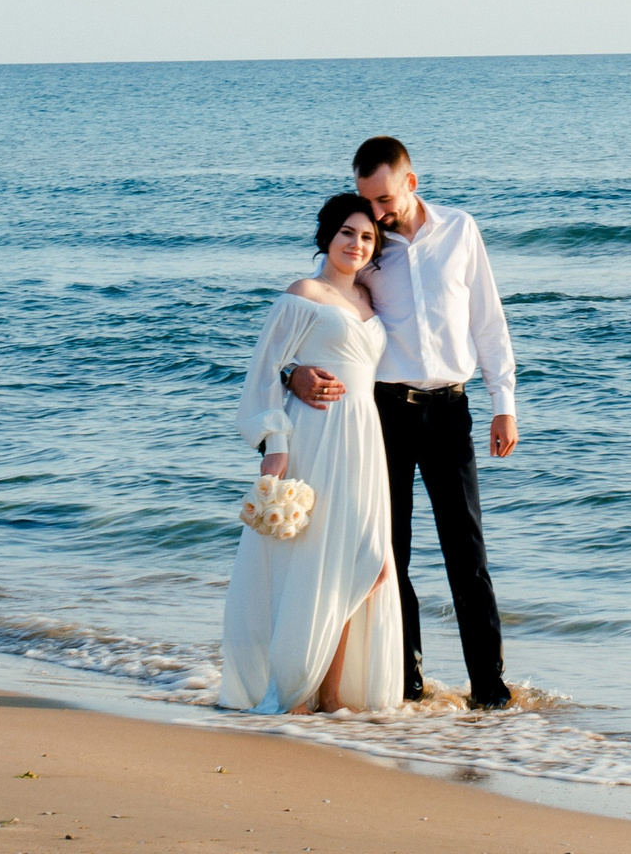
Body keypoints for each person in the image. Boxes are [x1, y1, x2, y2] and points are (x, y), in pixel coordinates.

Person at [285, 136, 516, 708]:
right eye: (368, 202)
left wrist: (503, 402)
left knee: (468, 554)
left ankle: (489, 689)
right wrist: (293, 373)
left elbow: (488, 319)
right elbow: (312, 309)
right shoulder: (367, 244)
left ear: (411, 182)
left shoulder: (461, 230)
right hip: (382, 414)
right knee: (392, 551)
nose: (377, 215)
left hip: (451, 411)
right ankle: (408, 683)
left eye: (384, 200)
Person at [217, 193, 404, 715]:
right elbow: (263, 371)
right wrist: (274, 443)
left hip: (365, 442)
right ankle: (297, 691)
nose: (357, 244)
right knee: (313, 561)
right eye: (348, 233)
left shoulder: (370, 301)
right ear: (327, 235)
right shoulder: (304, 293)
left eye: (367, 237)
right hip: (317, 435)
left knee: (365, 563)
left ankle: (331, 693)